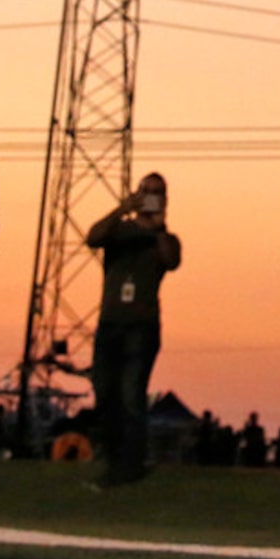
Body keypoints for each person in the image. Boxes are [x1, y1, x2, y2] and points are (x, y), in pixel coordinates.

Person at [86, 172, 182, 486]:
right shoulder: (119, 232)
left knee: (131, 393)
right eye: (147, 191)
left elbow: (171, 261)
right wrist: (122, 209)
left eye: (157, 192)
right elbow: (93, 236)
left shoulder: (165, 239)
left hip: (141, 326)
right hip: (110, 323)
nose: (151, 197)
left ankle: (131, 462)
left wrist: (159, 227)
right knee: (104, 390)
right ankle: (114, 459)